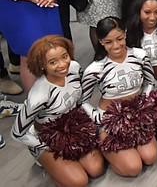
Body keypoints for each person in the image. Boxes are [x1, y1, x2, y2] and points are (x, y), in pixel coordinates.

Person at [11, 35, 104, 187]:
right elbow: (17, 133)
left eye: (64, 56)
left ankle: (67, 161)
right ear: (42, 65)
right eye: (53, 62)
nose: (62, 65)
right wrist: (45, 145)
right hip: (50, 136)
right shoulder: (38, 96)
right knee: (79, 181)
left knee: (96, 169)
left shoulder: (74, 68)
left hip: (73, 126)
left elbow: (80, 100)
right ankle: (39, 155)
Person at [81, 17, 157, 177]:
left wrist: (143, 104)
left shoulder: (140, 55)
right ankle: (105, 145)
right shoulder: (94, 69)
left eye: (119, 39)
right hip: (110, 122)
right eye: (108, 42)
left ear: (125, 34)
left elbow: (150, 81)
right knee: (133, 168)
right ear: (100, 41)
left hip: (136, 117)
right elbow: (82, 100)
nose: (116, 46)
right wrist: (99, 119)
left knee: (150, 157)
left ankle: (123, 152)